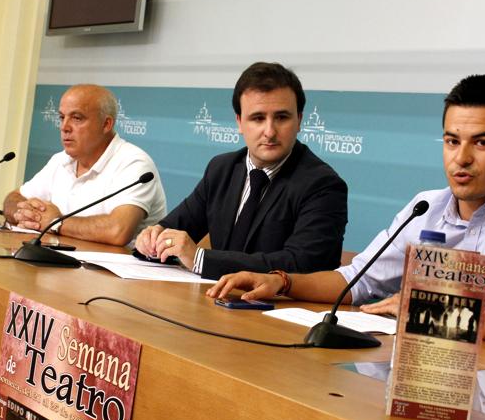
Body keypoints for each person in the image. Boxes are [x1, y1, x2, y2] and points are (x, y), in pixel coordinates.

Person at [208, 74, 485, 360]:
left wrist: (414, 307)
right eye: (451, 141)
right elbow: (355, 281)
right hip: (432, 371)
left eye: (481, 143)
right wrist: (281, 282)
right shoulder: (427, 206)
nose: (461, 158)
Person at [135, 62, 348, 280]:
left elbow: (303, 264)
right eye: (258, 118)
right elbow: (175, 228)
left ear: (299, 120)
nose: (270, 131)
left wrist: (200, 259)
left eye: (282, 117)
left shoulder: (323, 185)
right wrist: (153, 238)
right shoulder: (221, 169)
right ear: (239, 122)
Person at [4, 84, 166, 246]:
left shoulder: (133, 163)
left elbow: (118, 230)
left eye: (77, 118)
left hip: (115, 269)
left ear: (106, 124)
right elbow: (12, 199)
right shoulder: (60, 160)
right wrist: (26, 214)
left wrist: (56, 223)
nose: (64, 127)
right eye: (62, 117)